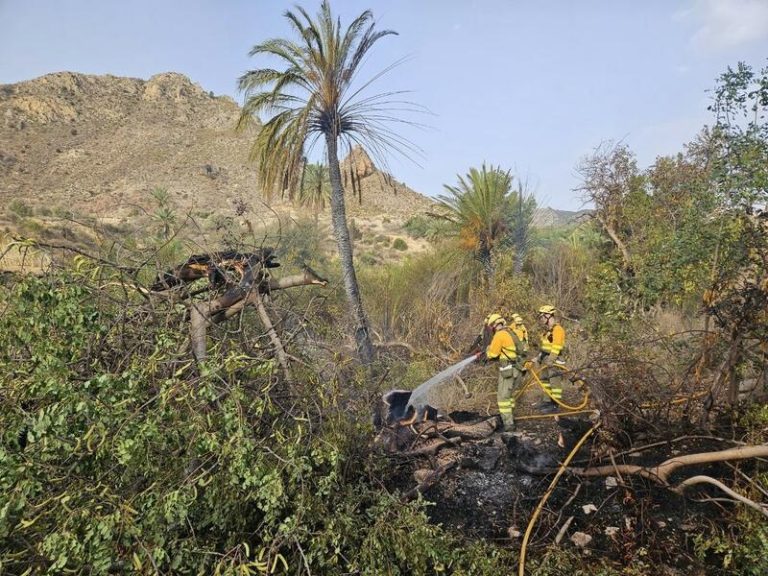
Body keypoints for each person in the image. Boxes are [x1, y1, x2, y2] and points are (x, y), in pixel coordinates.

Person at [481, 313, 525, 430]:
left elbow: (493, 354)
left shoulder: (499, 335)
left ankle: (508, 425)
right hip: (517, 370)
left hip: (508, 372)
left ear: (495, 325)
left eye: (491, 327)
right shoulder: (511, 332)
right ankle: (510, 419)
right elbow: (521, 350)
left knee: (503, 399)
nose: (492, 329)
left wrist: (487, 350)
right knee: (510, 397)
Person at [534, 305, 566, 413]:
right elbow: (544, 347)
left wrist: (550, 360)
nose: (541, 319)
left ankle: (555, 404)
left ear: (548, 315)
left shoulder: (558, 329)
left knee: (554, 383)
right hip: (545, 359)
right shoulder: (548, 330)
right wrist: (538, 358)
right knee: (545, 380)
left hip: (554, 360)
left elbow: (556, 347)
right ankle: (546, 401)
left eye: (542, 316)